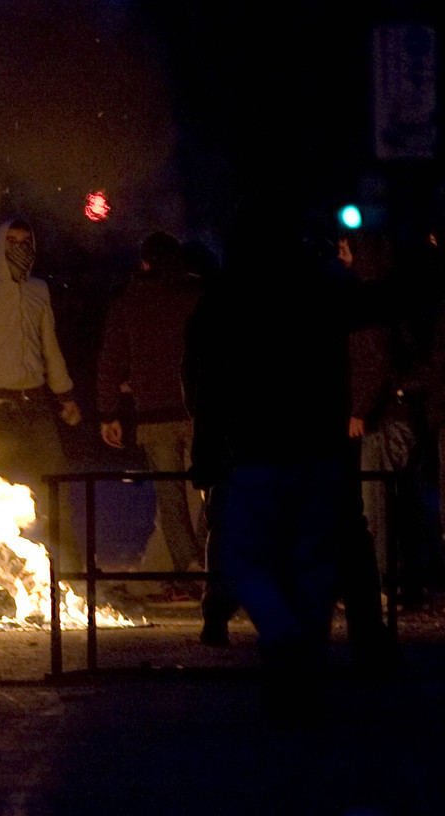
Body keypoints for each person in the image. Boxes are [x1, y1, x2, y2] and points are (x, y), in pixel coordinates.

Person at [185, 201, 383, 714]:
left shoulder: (225, 300)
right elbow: (375, 305)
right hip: (318, 450)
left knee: (244, 554)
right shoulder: (317, 289)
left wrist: (207, 450)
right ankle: (304, 661)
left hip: (256, 452)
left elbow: (204, 383)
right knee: (312, 560)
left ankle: (283, 641)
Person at [0, 218, 83, 578]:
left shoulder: (40, 291)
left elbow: (50, 347)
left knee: (56, 491)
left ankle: (67, 575)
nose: (19, 248)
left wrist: (64, 394)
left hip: (36, 405)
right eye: (11, 241)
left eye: (26, 241)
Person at [96, 231, 205, 602]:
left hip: (154, 417)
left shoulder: (128, 303)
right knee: (209, 492)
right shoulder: (196, 297)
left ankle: (190, 568)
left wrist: (109, 411)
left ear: (144, 263)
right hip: (197, 411)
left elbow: (111, 360)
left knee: (171, 499)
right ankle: (207, 564)